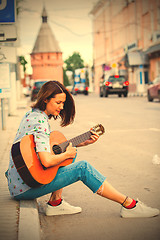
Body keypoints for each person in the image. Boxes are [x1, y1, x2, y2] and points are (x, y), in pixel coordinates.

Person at [6, 80, 159, 218]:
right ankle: (129, 205)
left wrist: (80, 144)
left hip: (18, 184)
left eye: (63, 103)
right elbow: (46, 161)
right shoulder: (40, 122)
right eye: (58, 102)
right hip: (26, 189)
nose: (62, 106)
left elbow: (38, 153)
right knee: (82, 168)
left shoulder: (32, 115)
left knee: (70, 154)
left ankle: (55, 204)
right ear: (45, 99)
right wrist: (67, 153)